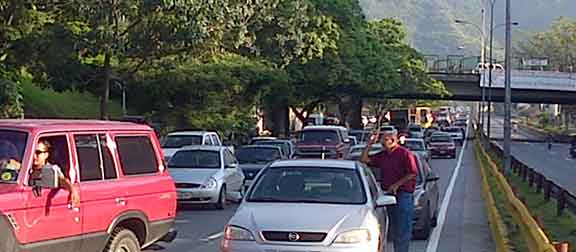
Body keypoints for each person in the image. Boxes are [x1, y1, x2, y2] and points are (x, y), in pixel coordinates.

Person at [360, 130, 418, 252]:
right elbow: (364, 160)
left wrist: (397, 185)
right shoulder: (383, 155)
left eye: (388, 139)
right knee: (388, 228)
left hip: (403, 195)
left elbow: (412, 173)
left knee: (402, 229)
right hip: (387, 195)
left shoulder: (405, 154)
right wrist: (369, 144)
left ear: (395, 140)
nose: (385, 142)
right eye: (383, 139)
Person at [30, 140, 80, 208]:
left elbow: (62, 180)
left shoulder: (51, 170)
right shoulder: (24, 168)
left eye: (38, 152)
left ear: (46, 155)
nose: (34, 156)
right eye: (31, 152)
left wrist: (73, 190)